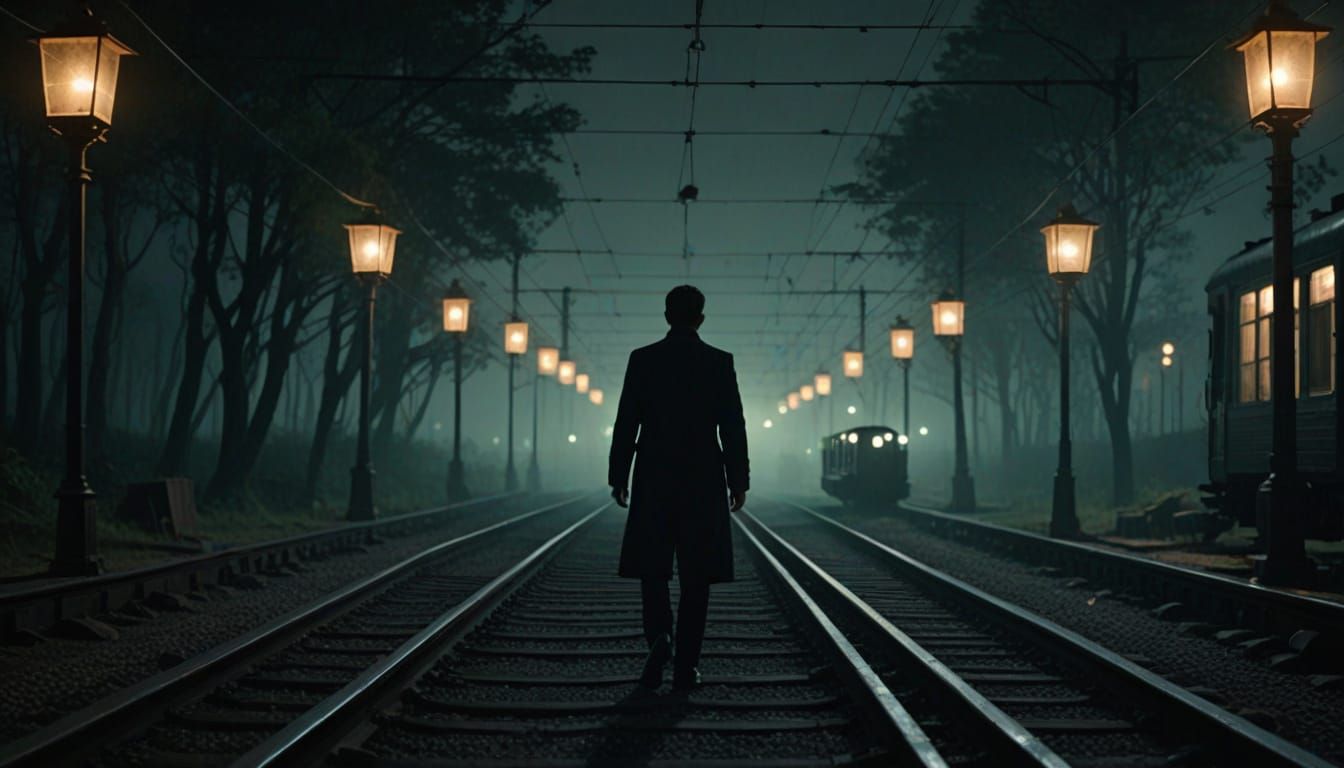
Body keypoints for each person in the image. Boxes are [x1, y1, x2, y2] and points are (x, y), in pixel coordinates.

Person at [608, 284, 749, 692]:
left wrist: (619, 475)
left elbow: (626, 421)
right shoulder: (719, 362)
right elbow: (732, 425)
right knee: (696, 575)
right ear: (700, 318)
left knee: (652, 569)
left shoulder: (643, 360)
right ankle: (687, 666)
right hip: (702, 477)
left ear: (667, 316)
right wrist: (738, 480)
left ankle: (660, 638)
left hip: (654, 474)